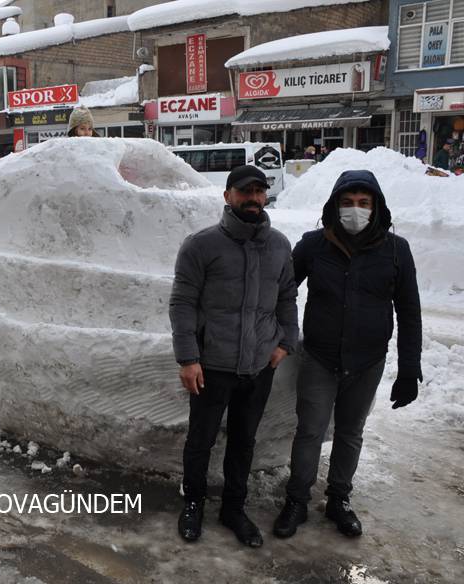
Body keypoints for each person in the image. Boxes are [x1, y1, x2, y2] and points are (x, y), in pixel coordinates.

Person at [273, 170, 422, 540]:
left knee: (350, 432)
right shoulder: (313, 245)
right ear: (335, 205)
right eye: (348, 202)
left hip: (367, 361)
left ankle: (339, 499)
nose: (355, 210)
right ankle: (296, 500)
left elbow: (409, 309)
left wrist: (409, 367)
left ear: (376, 208)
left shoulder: (396, 250)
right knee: (309, 430)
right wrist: (282, 335)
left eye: (363, 203)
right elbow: (283, 291)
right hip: (320, 358)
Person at [170, 165, 299, 547]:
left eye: (260, 191)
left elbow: (287, 296)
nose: (254, 198)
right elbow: (182, 303)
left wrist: (284, 343)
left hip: (259, 365)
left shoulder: (278, 245)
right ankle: (192, 503)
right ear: (227, 196)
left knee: (244, 440)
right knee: (201, 440)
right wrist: (188, 358)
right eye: (245, 192)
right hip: (212, 365)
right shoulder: (201, 245)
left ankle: (233, 508)